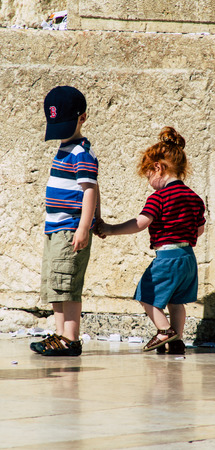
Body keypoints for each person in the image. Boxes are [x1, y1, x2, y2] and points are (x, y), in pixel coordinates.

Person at [97, 127, 205, 354]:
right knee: (177, 301)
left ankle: (164, 331)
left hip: (167, 257)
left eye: (148, 175)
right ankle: (176, 340)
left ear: (158, 167)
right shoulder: (194, 197)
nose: (149, 181)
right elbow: (200, 229)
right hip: (188, 258)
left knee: (146, 294)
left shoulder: (159, 197)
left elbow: (141, 222)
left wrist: (110, 228)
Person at [30, 86, 102, 356]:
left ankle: (70, 338)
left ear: (82, 118)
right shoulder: (65, 149)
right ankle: (60, 335)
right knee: (56, 285)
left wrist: (85, 226)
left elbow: (90, 190)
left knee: (68, 285)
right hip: (55, 230)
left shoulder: (82, 152)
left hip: (70, 229)